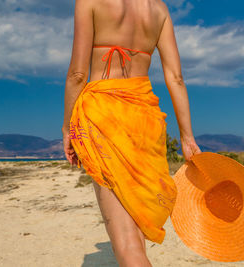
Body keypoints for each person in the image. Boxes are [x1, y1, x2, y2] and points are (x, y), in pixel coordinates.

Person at [62, 0, 201, 266]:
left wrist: (68, 128)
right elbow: (176, 78)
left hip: (104, 118)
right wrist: (187, 137)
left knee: (126, 245)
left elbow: (78, 75)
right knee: (135, 237)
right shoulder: (159, 10)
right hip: (146, 121)